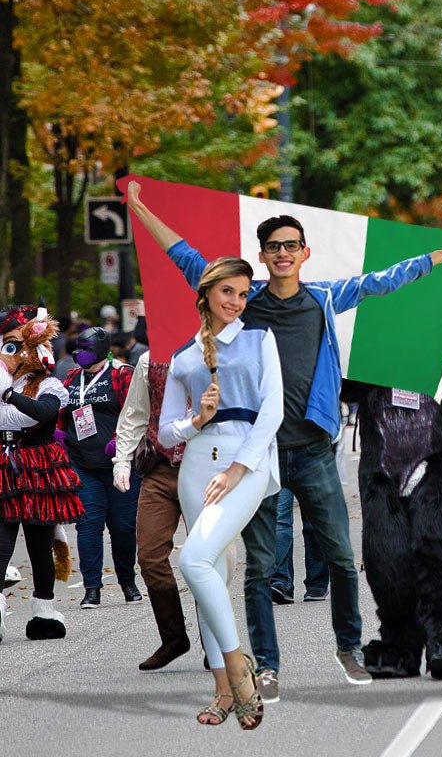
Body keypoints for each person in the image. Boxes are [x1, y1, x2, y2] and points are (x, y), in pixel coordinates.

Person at [127, 180, 442, 699]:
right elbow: (185, 257)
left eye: (292, 245)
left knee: (338, 555)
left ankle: (349, 648)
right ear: (262, 257)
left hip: (313, 451)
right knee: (261, 567)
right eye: (274, 247)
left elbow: (383, 281)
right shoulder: (245, 302)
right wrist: (139, 208)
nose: (284, 253)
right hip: (257, 456)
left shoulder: (325, 299)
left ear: (304, 253)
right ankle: (267, 666)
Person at [159, 256, 280, 729]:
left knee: (192, 560)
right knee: (210, 573)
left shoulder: (259, 339)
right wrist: (196, 420)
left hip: (244, 463)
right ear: (207, 292)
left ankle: (238, 672)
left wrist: (236, 468)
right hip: (195, 467)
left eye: (243, 293)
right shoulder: (185, 357)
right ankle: (221, 692)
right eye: (228, 291)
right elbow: (167, 434)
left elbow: (272, 411)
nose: (237, 301)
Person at [0, 304, 80, 642]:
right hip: (4, 465)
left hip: (38, 467)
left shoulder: (49, 384)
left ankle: (44, 611)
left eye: (14, 345)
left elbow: (40, 414)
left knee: (39, 543)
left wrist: (7, 395)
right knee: (2, 544)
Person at [112, 352, 192, 670]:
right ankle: (173, 637)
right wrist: (121, 460)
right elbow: (134, 415)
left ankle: (216, 641)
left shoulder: (221, 349)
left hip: (204, 469)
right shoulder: (149, 360)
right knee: (149, 556)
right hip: (159, 469)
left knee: (206, 558)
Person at [60, 327, 141, 609]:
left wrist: (120, 442)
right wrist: (60, 434)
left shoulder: (122, 374)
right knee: (88, 526)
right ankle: (92, 587)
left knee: (123, 527)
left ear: (100, 348)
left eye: (85, 347)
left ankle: (128, 582)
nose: (78, 352)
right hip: (83, 464)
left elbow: (137, 413)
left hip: (121, 464)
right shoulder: (72, 377)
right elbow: (63, 412)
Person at [270, 486, 329, 604]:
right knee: (280, 519)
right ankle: (281, 582)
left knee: (312, 521)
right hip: (282, 468)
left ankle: (317, 585)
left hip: (312, 468)